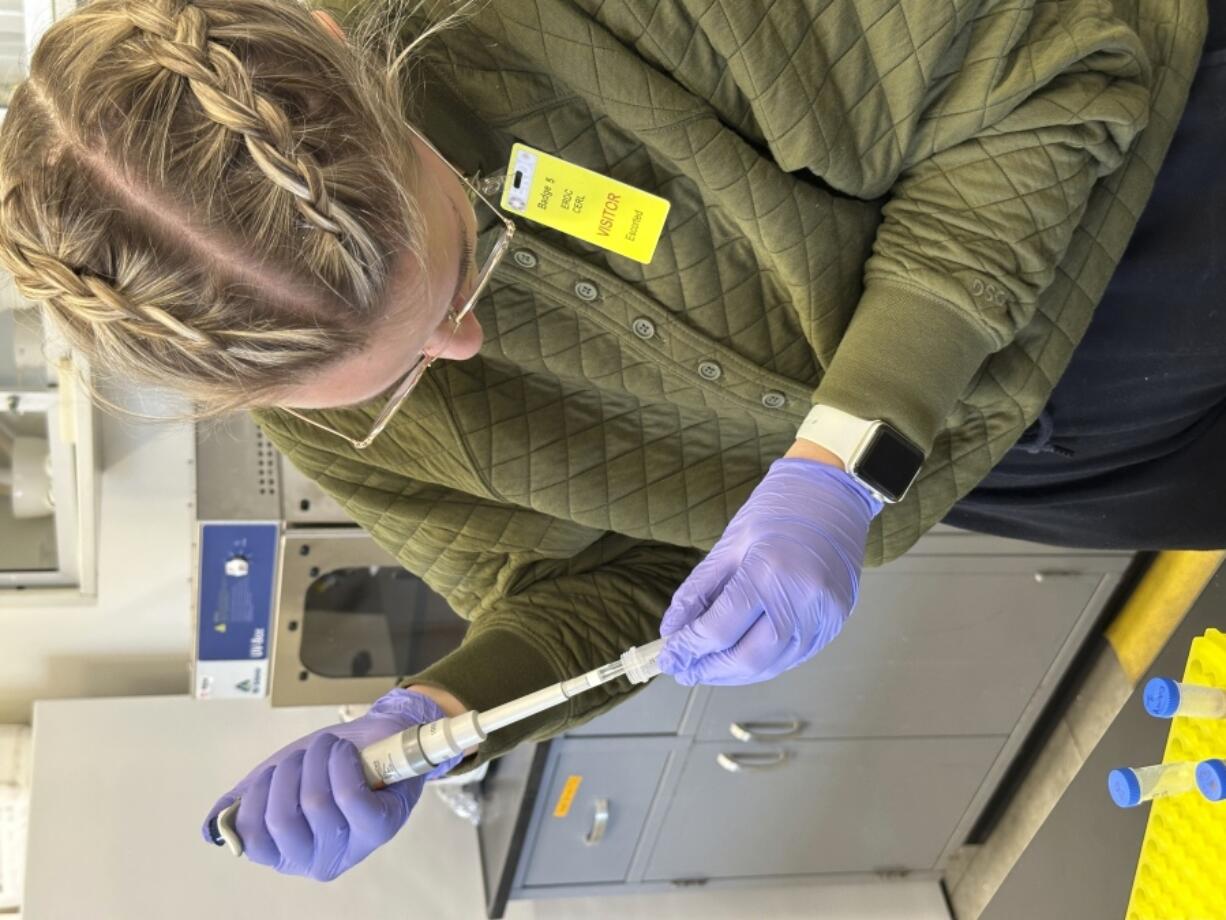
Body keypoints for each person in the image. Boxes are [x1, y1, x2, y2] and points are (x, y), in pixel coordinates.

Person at [0, 0, 1213, 881]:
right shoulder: (308, 405)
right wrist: (437, 710)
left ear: (349, 46)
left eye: (463, 258)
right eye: (399, 371)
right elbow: (585, 585)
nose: (466, 349)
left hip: (1149, 196)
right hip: (1017, 460)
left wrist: (839, 456)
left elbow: (1056, 63)